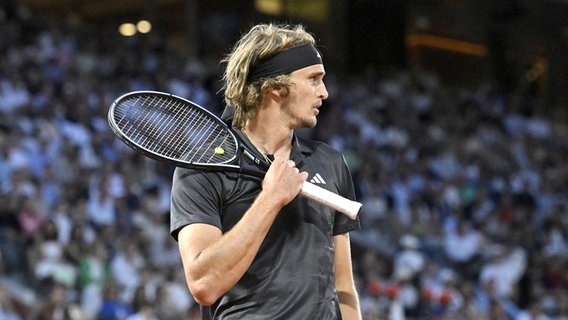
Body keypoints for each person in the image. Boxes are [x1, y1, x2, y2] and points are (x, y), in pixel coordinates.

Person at [170, 23, 362, 319]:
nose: (324, 92)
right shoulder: (202, 168)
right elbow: (204, 283)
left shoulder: (330, 162)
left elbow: (343, 285)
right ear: (275, 88)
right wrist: (271, 198)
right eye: (313, 79)